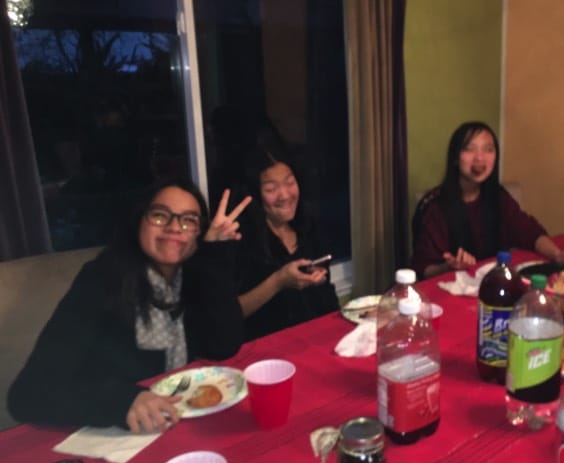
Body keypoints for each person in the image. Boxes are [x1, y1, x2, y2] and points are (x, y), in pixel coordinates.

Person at [7, 180, 251, 433]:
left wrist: (215, 255)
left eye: (189, 221)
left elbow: (223, 346)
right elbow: (28, 394)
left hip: (174, 420)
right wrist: (123, 400)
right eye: (160, 216)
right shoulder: (102, 280)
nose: (174, 227)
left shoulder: (194, 275)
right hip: (110, 431)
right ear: (138, 222)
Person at [410, 121, 564, 278]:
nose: (480, 157)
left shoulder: (497, 196)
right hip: (448, 290)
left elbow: (529, 232)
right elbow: (422, 268)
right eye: (470, 149)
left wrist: (558, 255)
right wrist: (449, 266)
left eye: (488, 149)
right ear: (455, 157)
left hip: (492, 283)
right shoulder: (435, 206)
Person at [237, 146, 339, 340]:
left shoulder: (309, 226)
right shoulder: (242, 239)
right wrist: (278, 282)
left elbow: (326, 297)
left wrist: (318, 279)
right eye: (271, 189)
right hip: (266, 349)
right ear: (255, 194)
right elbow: (231, 314)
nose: (284, 195)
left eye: (290, 182)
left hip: (316, 339)